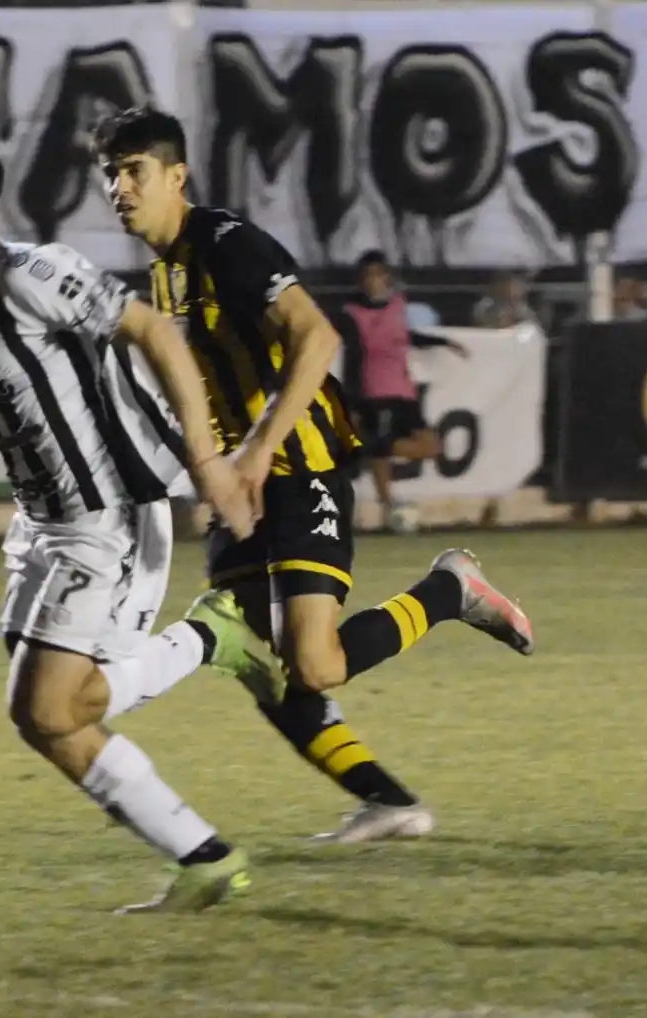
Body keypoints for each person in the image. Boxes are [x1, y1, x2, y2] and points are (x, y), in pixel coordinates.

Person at [90, 106, 535, 844]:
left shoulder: (226, 243)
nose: (119, 186)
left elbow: (317, 334)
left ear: (177, 176)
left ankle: (448, 590)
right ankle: (388, 801)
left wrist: (259, 450)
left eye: (133, 171)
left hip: (303, 464)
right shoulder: (164, 270)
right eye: (109, 172)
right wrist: (213, 471)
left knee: (315, 662)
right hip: (244, 483)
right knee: (251, 655)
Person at [0, 128, 273, 912]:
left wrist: (210, 462)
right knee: (62, 710)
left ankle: (206, 669)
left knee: (46, 706)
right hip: (42, 525)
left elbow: (152, 329)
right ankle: (205, 852)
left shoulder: (29, 272)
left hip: (111, 513)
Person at [338, 249, 469, 533]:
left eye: (378, 274)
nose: (374, 281)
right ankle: (389, 508)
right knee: (382, 453)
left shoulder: (397, 304)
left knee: (430, 446)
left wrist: (444, 342)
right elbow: (352, 359)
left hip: (404, 391)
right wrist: (354, 402)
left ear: (387, 277)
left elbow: (406, 336)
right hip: (374, 392)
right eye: (368, 276)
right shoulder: (351, 313)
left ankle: (374, 448)